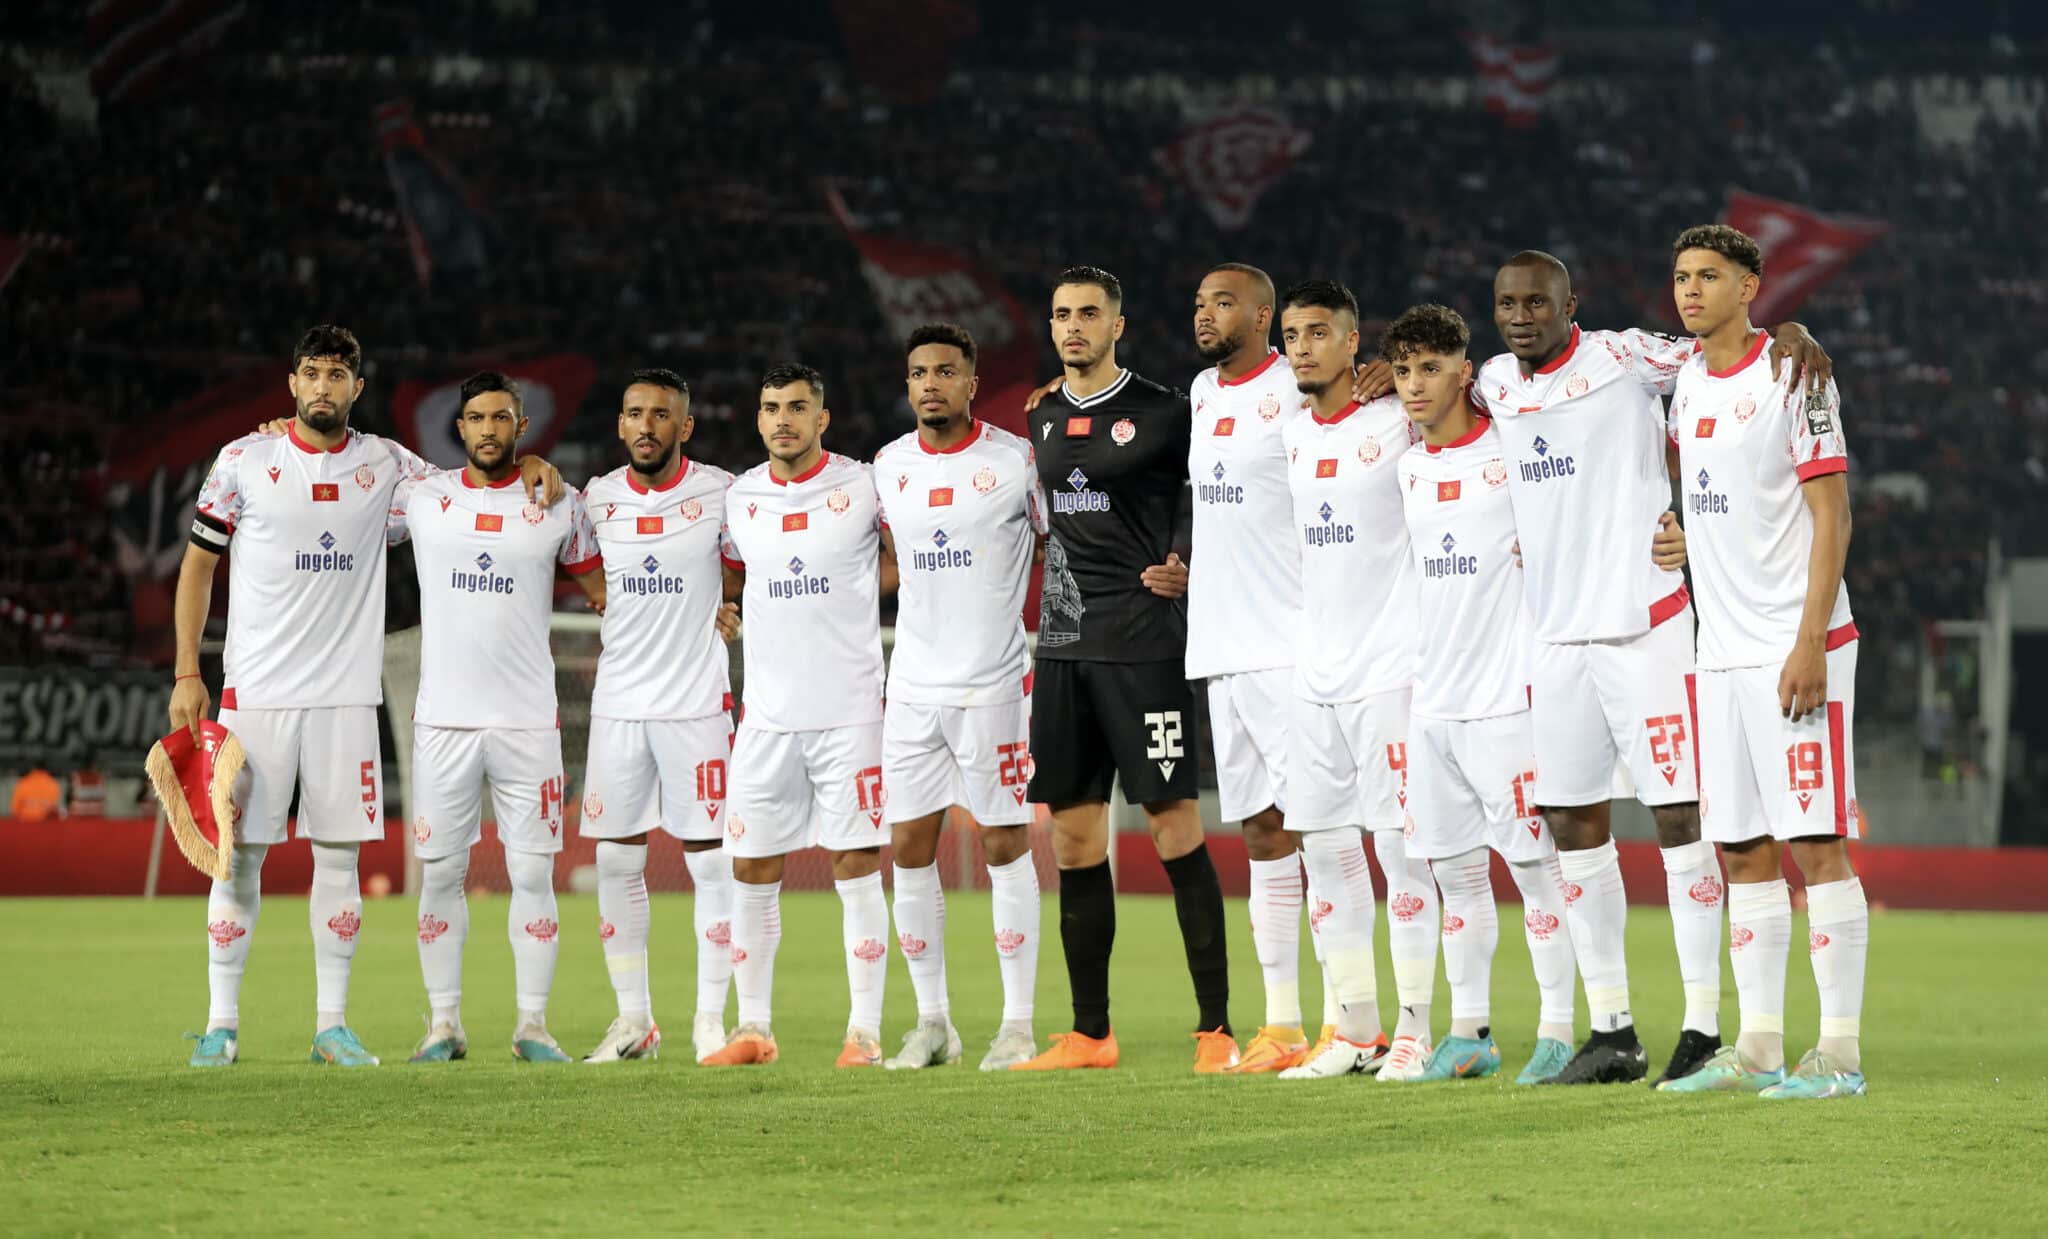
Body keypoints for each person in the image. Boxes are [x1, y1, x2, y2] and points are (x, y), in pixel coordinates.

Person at [1471, 251, 1830, 1085]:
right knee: (1571, 823)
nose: (1520, 315)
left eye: (1537, 301)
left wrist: (1791, 328)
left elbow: (1726, 348)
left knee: (1680, 818)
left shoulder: (1628, 357)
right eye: (1507, 303)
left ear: (1571, 303)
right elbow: (1439, 396)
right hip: (1554, 637)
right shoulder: (1493, 382)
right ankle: (1613, 1029)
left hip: (1647, 626)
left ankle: (1702, 1024)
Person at [171, 326, 556, 1069]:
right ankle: (221, 1025)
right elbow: (197, 566)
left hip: (346, 698)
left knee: (340, 862)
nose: (323, 386)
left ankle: (332, 1026)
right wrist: (189, 671)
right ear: (292, 383)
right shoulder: (243, 460)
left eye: (337, 374)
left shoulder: (389, 466)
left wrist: (530, 463)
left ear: (357, 386)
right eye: (311, 372)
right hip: (255, 697)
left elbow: (477, 486)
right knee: (238, 861)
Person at [1657, 224, 1867, 1099]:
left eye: (1709, 275)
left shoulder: (1795, 374)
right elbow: (1712, 494)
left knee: (1814, 844)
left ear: (1750, 286)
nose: (1690, 290)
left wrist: (1810, 639)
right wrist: (1681, 535)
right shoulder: (1683, 381)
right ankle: (1758, 1048)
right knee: (1740, 848)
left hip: (1794, 645)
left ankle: (1841, 1053)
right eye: (1681, 276)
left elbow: (1832, 513)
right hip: (1719, 656)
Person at [1014, 266, 1236, 1073]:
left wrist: (1189, 562)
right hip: (1062, 649)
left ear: (1118, 325)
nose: (1073, 326)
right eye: (1061, 313)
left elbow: (1224, 491)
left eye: (1088, 313)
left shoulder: (1168, 411)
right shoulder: (1039, 415)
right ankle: (1090, 1033)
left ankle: (1215, 1030)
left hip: (1143, 647)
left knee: (1176, 830)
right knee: (1075, 841)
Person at [1385, 303, 1590, 1085]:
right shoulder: (1408, 466)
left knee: (1537, 871)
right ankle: (1470, 1030)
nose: (1414, 385)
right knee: (1454, 875)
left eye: (1430, 368)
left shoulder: (1511, 448)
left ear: (1464, 372)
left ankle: (1558, 1031)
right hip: (1432, 704)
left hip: (1508, 703)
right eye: (1403, 370)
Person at [396, 371, 604, 1066]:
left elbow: (605, 592)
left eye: (501, 418)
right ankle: (443, 1025)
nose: (488, 429)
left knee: (534, 874)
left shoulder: (558, 502)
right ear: (459, 428)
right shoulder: (423, 497)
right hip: (444, 724)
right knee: (440, 874)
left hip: (528, 723)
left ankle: (532, 1026)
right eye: (477, 418)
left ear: (522, 426)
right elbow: (342, 471)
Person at [704, 363, 895, 1069]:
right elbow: (728, 572)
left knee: (856, 864)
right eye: (770, 408)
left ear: (823, 418)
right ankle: (753, 1027)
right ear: (758, 419)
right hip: (767, 718)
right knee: (751, 866)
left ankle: (864, 1033)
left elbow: (909, 552)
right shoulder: (740, 496)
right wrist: (726, 605)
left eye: (795, 407)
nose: (782, 419)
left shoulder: (864, 485)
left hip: (850, 711)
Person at [1267, 280, 1435, 1079]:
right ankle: (1355, 1029)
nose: (1300, 347)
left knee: (1401, 852)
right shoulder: (1292, 433)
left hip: (1390, 670)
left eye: (1316, 332)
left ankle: (1416, 1027)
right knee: (1325, 850)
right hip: (1314, 674)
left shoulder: (1398, 420)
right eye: (1291, 334)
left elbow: (1474, 409)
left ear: (1351, 341)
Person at [874, 323, 1049, 1072]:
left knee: (1004, 843)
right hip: (912, 688)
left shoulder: (1015, 460)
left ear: (972, 383)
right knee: (908, 850)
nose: (931, 384)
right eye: (920, 372)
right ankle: (933, 1023)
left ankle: (1017, 1026)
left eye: (946, 371)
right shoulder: (887, 467)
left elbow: (1058, 540)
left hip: (994, 686)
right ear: (908, 384)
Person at [577, 368, 737, 1064]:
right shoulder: (595, 499)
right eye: (635, 413)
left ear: (685, 426)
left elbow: (753, 561)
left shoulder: (724, 493)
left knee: (712, 864)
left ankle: (709, 1020)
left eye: (661, 414)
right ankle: (633, 1020)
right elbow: (572, 561)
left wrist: (736, 604)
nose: (646, 425)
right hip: (619, 707)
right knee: (615, 860)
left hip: (695, 705)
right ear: (620, 424)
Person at [1183, 263, 1312, 1073]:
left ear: (1263, 316)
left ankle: (1356, 1019)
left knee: (1321, 830)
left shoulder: (1298, 386)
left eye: (1223, 302)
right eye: (1200, 302)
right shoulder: (1202, 392)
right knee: (1262, 832)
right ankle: (1285, 1023)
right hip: (1222, 649)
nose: (1205, 314)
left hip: (1289, 645)